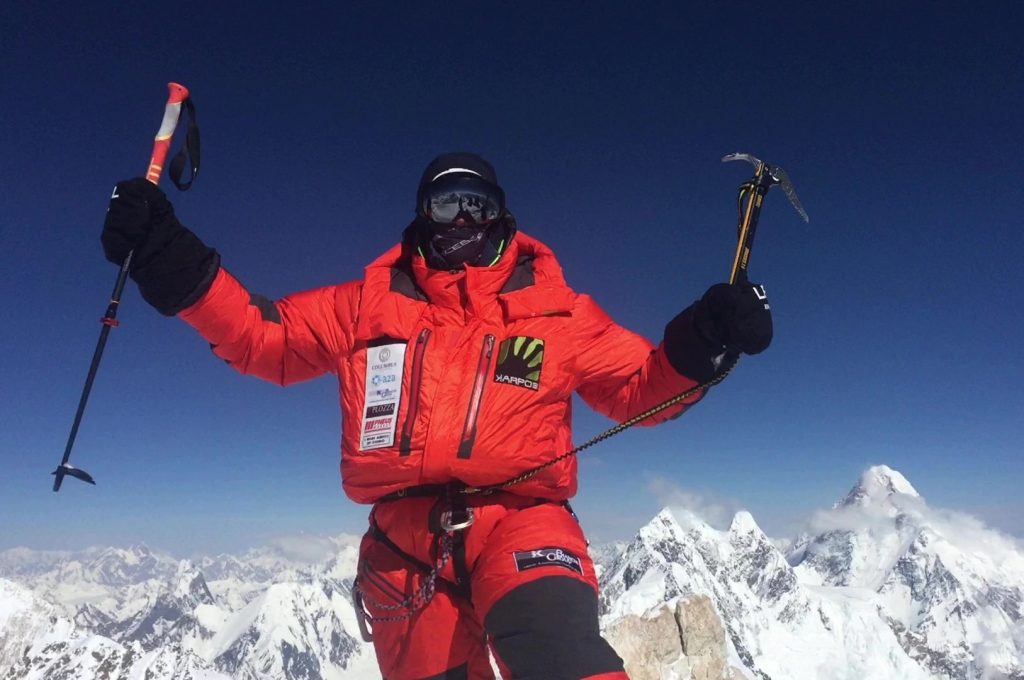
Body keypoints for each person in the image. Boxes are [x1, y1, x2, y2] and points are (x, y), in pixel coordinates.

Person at [101, 152, 772, 680]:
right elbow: (260, 336)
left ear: (501, 214)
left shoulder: (559, 313)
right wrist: (166, 256)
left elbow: (640, 388)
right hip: (402, 551)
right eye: (446, 202)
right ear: (423, 213)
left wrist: (703, 340)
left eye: (477, 203)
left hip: (523, 522)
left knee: (561, 656)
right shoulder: (362, 308)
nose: (461, 219)